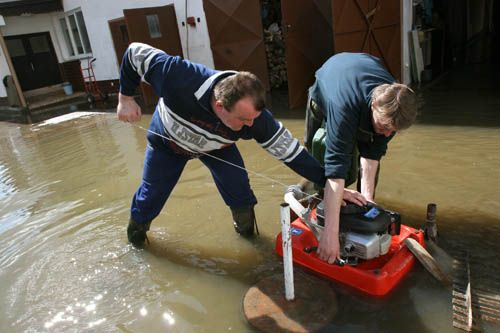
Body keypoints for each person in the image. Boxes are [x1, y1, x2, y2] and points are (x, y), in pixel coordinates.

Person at [117, 42, 326, 247]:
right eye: (243, 120)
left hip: (216, 148)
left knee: (241, 194)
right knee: (150, 198)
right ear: (220, 106)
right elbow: (135, 52)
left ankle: (250, 241)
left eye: (254, 119)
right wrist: (125, 97)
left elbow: (292, 153)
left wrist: (327, 182)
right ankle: (136, 243)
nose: (250, 126)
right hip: (168, 144)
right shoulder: (177, 75)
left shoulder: (257, 120)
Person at [304, 52, 418, 264]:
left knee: (370, 145)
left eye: (391, 131)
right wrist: (330, 235)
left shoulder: (394, 105)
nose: (386, 134)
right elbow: (335, 170)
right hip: (327, 91)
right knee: (320, 151)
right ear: (374, 104)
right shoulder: (344, 107)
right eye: (384, 127)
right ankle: (322, 211)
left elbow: (372, 155)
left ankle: (348, 207)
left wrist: (368, 206)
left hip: (361, 75)